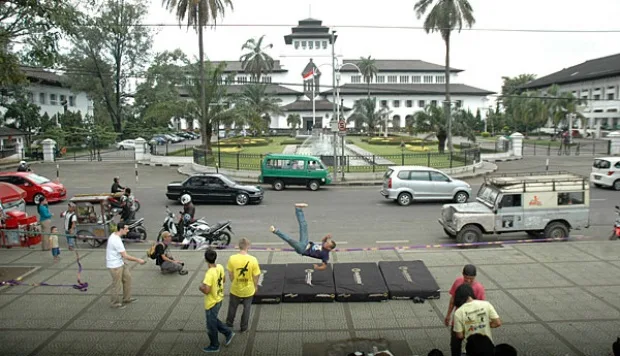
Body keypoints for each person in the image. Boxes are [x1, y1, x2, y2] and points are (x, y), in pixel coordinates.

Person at [269, 203, 336, 271]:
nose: (325, 243)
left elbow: (324, 266)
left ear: (329, 248)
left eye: (327, 244)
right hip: (306, 243)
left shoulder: (325, 255)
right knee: (304, 226)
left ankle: (275, 231)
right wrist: (326, 237)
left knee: (290, 240)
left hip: (302, 249)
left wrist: (318, 267)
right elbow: (323, 240)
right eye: (327, 242)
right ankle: (298, 209)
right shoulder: (324, 245)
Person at [445, 264, 486, 356]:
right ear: (463, 275)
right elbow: (453, 299)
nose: (468, 280)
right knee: (455, 344)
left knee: (473, 346)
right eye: (466, 278)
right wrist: (448, 315)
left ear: (475, 277)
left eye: (471, 279)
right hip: (458, 319)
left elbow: (481, 307)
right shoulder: (458, 282)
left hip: (472, 321)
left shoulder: (479, 288)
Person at [200, 248, 234, 353]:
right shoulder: (219, 267)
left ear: (206, 259)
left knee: (211, 325)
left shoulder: (209, 273)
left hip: (211, 302)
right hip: (219, 298)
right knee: (213, 320)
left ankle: (214, 345)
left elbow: (206, 290)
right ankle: (228, 333)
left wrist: (201, 287)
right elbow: (223, 280)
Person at [106, 222, 146, 309]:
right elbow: (125, 256)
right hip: (115, 265)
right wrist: (138, 260)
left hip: (120, 263)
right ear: (121, 229)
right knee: (116, 284)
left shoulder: (115, 235)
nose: (128, 231)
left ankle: (127, 298)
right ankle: (114, 303)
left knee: (127, 278)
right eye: (126, 229)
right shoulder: (116, 240)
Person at [453, 284, 502, 354]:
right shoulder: (486, 304)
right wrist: (485, 324)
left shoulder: (458, 312)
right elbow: (497, 323)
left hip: (470, 348)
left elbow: (459, 335)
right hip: (487, 345)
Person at [226, 237, 261, 333]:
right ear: (248, 247)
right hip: (248, 290)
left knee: (232, 307)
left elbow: (230, 273)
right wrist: (255, 286)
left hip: (235, 289)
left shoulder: (232, 258)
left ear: (238, 246)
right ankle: (244, 327)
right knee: (247, 309)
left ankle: (229, 324)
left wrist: (234, 281)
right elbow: (256, 275)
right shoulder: (253, 260)